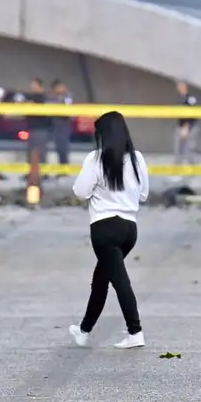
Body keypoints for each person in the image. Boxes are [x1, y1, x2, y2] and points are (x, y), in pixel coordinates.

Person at [69, 111, 150, 350]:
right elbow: (143, 194)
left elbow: (80, 192)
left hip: (104, 229)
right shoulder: (137, 158)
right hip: (129, 229)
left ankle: (135, 331)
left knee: (119, 282)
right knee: (101, 280)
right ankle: (84, 331)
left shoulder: (95, 159)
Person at [175, 80, 199, 166]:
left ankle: (192, 169)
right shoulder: (181, 99)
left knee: (189, 149)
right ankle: (178, 169)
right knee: (179, 149)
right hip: (181, 127)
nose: (179, 89)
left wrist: (186, 127)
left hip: (189, 127)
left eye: (181, 87)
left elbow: (192, 114)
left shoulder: (190, 99)